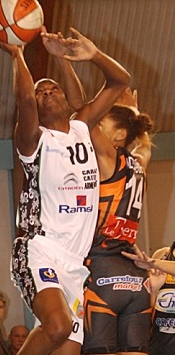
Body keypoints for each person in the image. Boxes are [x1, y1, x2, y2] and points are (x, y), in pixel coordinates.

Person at [0, 25, 130, 355]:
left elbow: (120, 81)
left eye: (53, 89)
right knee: (58, 325)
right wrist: (17, 53)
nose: (47, 93)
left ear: (69, 100)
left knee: (66, 348)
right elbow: (23, 98)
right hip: (39, 249)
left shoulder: (82, 127)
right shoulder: (34, 141)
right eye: (41, 92)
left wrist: (89, 55)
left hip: (74, 263)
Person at [81, 88, 154, 355]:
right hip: (136, 278)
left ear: (119, 136)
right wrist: (133, 115)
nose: (98, 127)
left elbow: (84, 119)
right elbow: (144, 144)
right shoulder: (140, 163)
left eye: (104, 125)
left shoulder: (111, 158)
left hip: (101, 271)